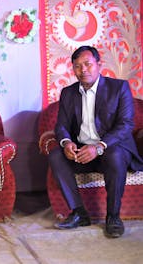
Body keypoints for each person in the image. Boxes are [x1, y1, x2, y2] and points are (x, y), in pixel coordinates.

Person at [48, 45, 143, 238]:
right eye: (77, 66)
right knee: (56, 155)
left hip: (111, 149)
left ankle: (113, 217)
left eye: (87, 64)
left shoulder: (119, 88)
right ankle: (79, 213)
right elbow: (61, 126)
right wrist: (67, 143)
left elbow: (125, 124)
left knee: (115, 155)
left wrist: (99, 146)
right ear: (73, 69)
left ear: (99, 64)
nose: (83, 70)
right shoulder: (68, 93)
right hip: (82, 153)